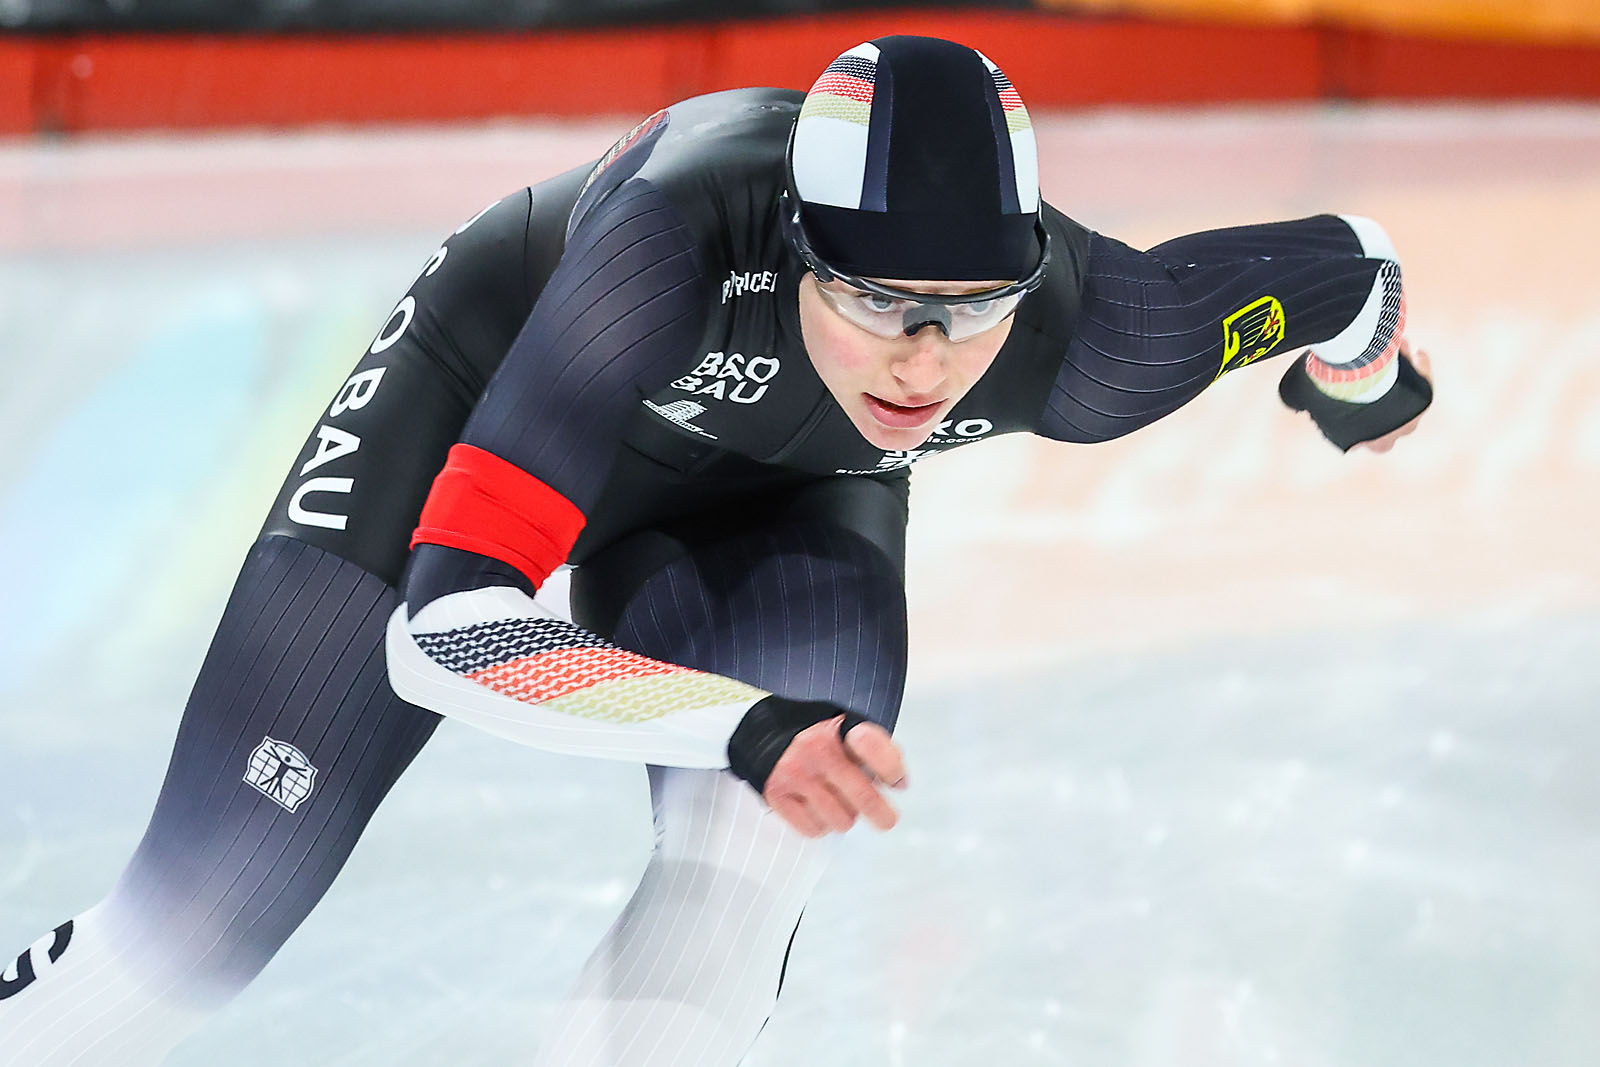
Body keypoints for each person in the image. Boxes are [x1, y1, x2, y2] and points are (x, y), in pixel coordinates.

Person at [0, 34, 1432, 1065]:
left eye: (973, 311)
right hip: (492, 401)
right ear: (802, 251)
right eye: (879, 302)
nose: (927, 361)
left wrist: (1363, 383)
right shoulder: (663, 252)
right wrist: (740, 722)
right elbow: (445, 630)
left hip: (788, 498)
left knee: (732, 897)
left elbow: (1353, 269)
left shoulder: (1098, 340)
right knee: (183, 945)